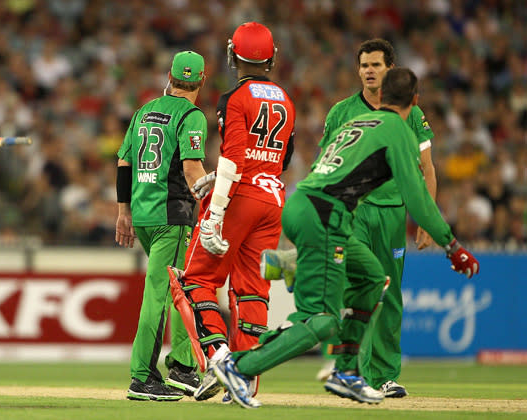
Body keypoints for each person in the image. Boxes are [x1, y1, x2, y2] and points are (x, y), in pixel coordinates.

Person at [212, 67, 480, 409]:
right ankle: (238, 366)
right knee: (321, 321)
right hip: (324, 218)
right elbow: (417, 199)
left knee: (371, 278)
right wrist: (452, 246)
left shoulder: (357, 123)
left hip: (307, 207)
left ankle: (347, 371)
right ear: (414, 100)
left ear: (381, 97)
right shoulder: (398, 129)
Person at [262, 39, 437, 397]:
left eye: (376, 65)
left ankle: (383, 375)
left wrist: (425, 218)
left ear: (391, 70)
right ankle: (344, 365)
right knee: (342, 286)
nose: (369, 71)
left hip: (391, 213)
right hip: (351, 211)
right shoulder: (342, 111)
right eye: (364, 65)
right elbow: (323, 164)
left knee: (387, 292)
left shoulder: (412, 113)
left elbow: (427, 169)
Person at [168, 22, 296, 402]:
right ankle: (249, 377)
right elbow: (283, 158)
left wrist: (217, 211)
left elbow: (234, 159)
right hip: (273, 198)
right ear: (271, 58)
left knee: (195, 280)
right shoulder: (286, 99)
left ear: (231, 56)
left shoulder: (235, 98)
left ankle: (222, 361)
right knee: (253, 290)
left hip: (238, 197)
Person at [116, 50, 209, 401]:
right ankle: (142, 376)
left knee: (179, 289)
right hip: (173, 216)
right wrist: (216, 205)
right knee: (162, 293)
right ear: (202, 79)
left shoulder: (143, 111)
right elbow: (191, 170)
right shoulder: (191, 115)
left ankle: (183, 369)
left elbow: (124, 161)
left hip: (142, 214)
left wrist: (123, 211)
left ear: (169, 76)